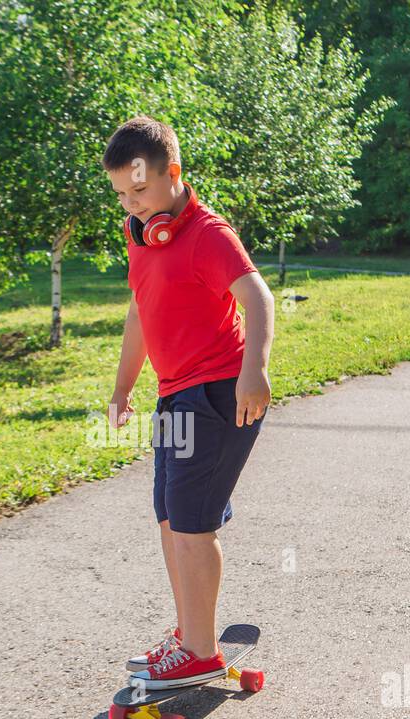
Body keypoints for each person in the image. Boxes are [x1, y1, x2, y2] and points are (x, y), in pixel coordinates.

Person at [102, 116, 274, 689]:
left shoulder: (207, 234)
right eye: (122, 195)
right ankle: (189, 636)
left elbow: (258, 297)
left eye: (140, 190)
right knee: (172, 521)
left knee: (194, 526)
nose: (133, 205)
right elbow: (140, 316)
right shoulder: (142, 239)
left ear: (173, 174)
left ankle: (200, 650)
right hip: (174, 397)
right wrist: (123, 389)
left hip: (218, 393)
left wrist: (256, 371)